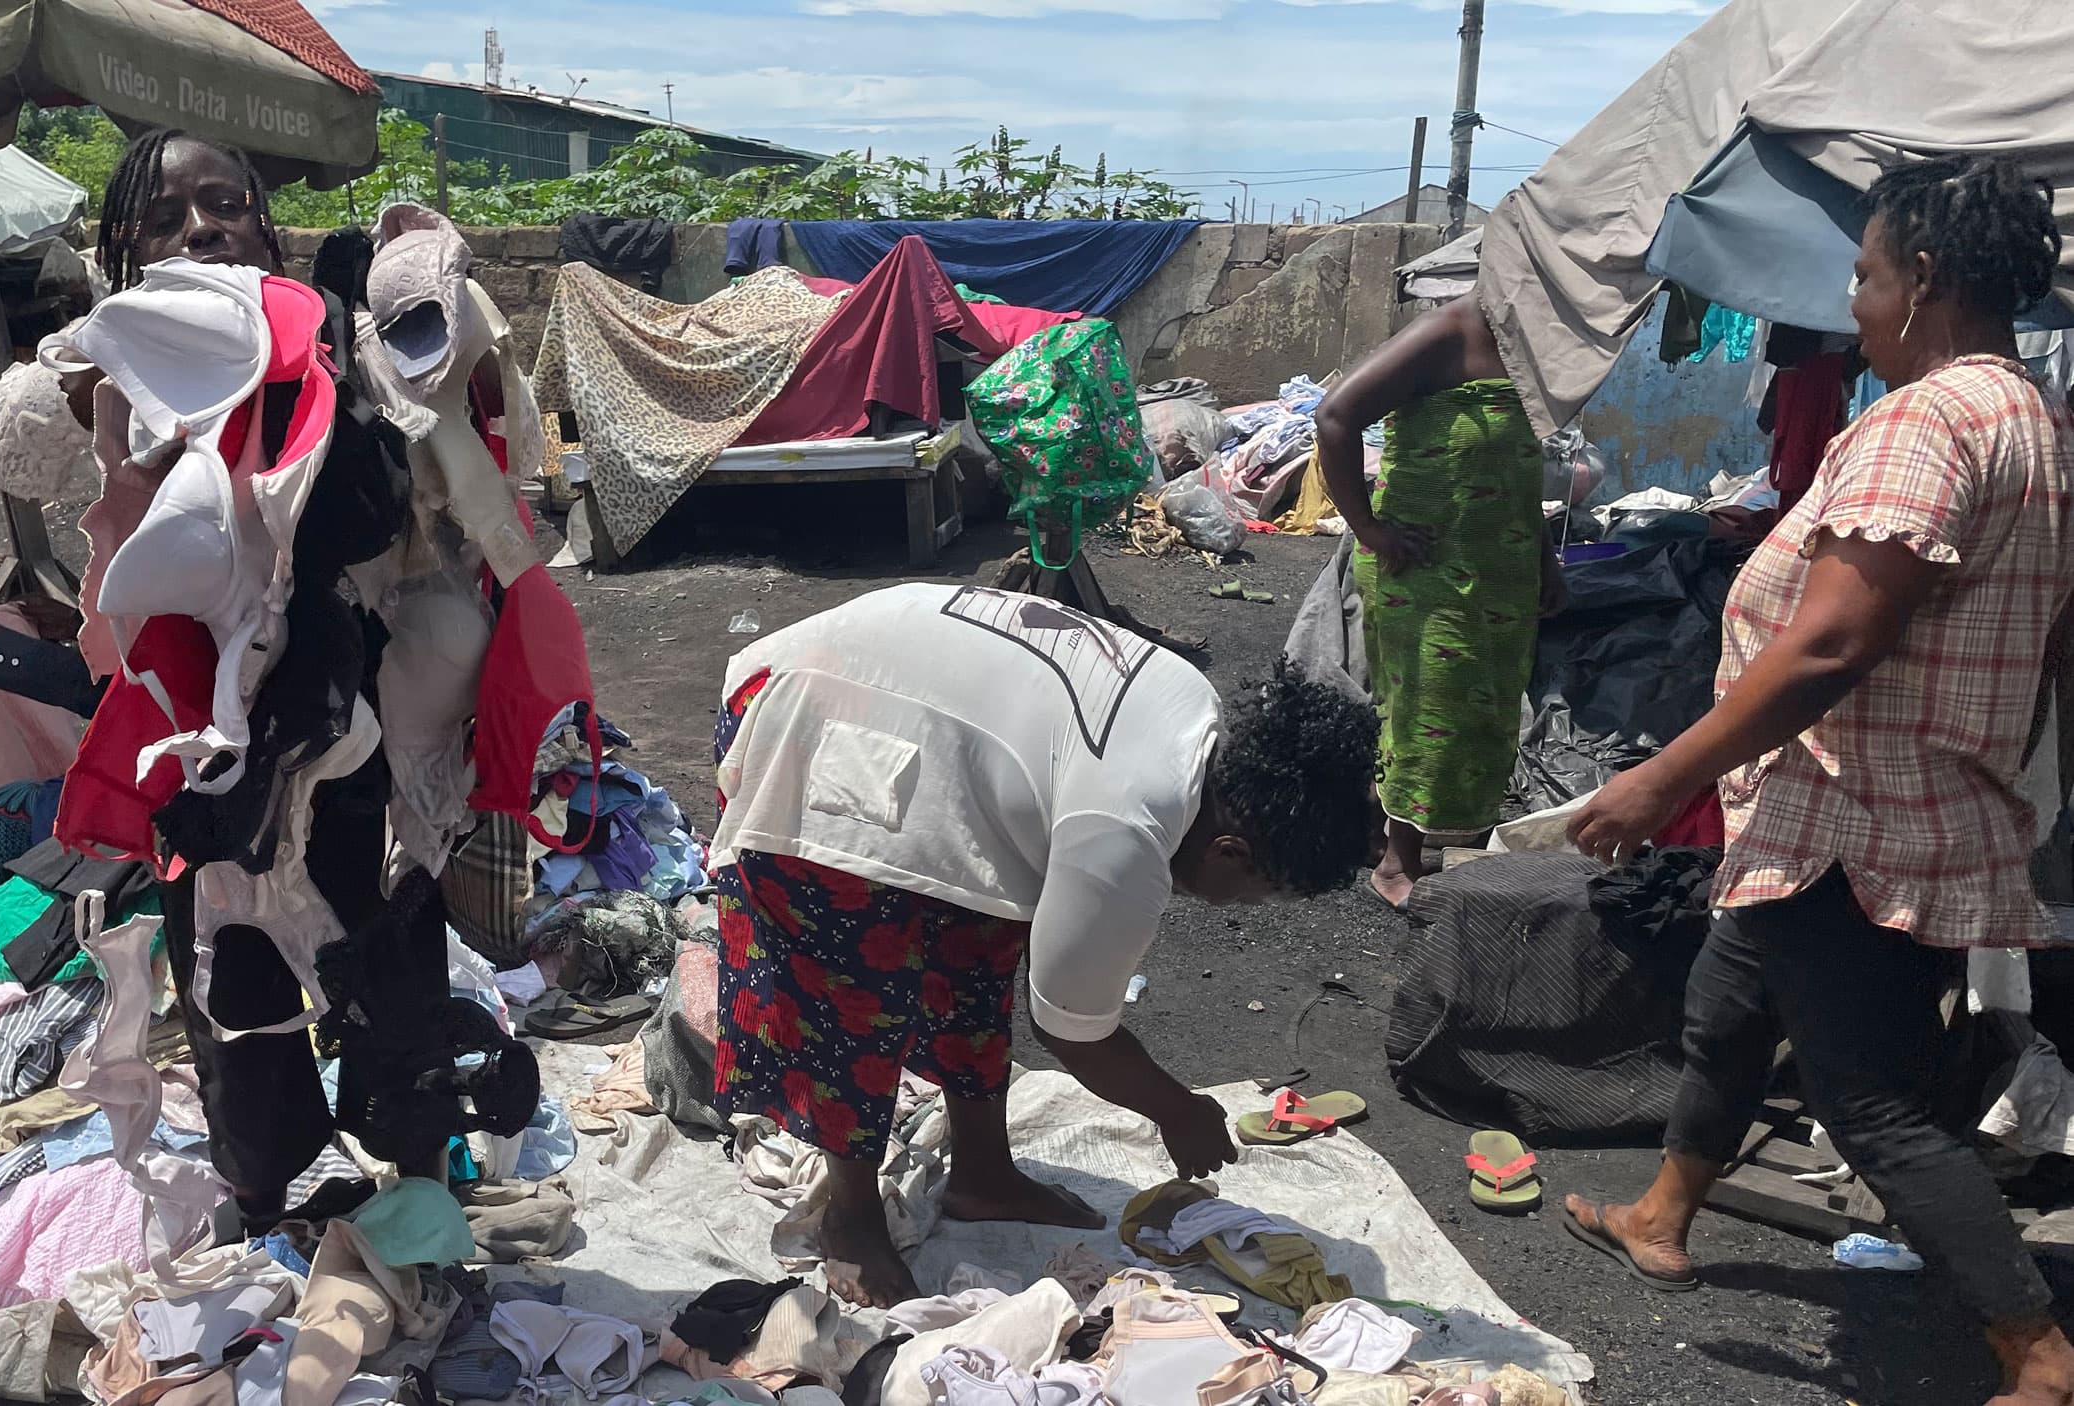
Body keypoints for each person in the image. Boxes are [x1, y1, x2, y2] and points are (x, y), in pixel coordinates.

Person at [1561, 155, 2074, 1406]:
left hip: (1859, 813)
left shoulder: (1925, 420)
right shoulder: (2039, 422)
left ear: (1924, 277)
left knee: (1871, 1102)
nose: (1852, 301)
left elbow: (1836, 639)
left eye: (1862, 272)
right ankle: (1663, 1212)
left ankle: (2036, 1349)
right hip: (1898, 799)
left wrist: (1654, 781)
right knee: (1732, 1002)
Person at [708, 583, 1380, 1305]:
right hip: (808, 715)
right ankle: (851, 1217)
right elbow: (1073, 1030)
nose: (1244, 908)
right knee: (850, 992)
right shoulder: (1126, 828)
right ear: (1231, 851)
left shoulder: (1200, 724)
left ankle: (982, 1174)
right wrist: (1178, 1110)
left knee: (976, 948)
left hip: (894, 694)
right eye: (1261, 893)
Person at [1312, 295, 1563, 907]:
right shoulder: (1449, 330)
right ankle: (1398, 860)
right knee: (1428, 712)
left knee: (1488, 713)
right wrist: (1369, 528)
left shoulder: (1535, 342)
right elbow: (1334, 418)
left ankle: (1449, 840)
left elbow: (1515, 468)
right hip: (1427, 567)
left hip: (1501, 570)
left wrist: (1543, 560)